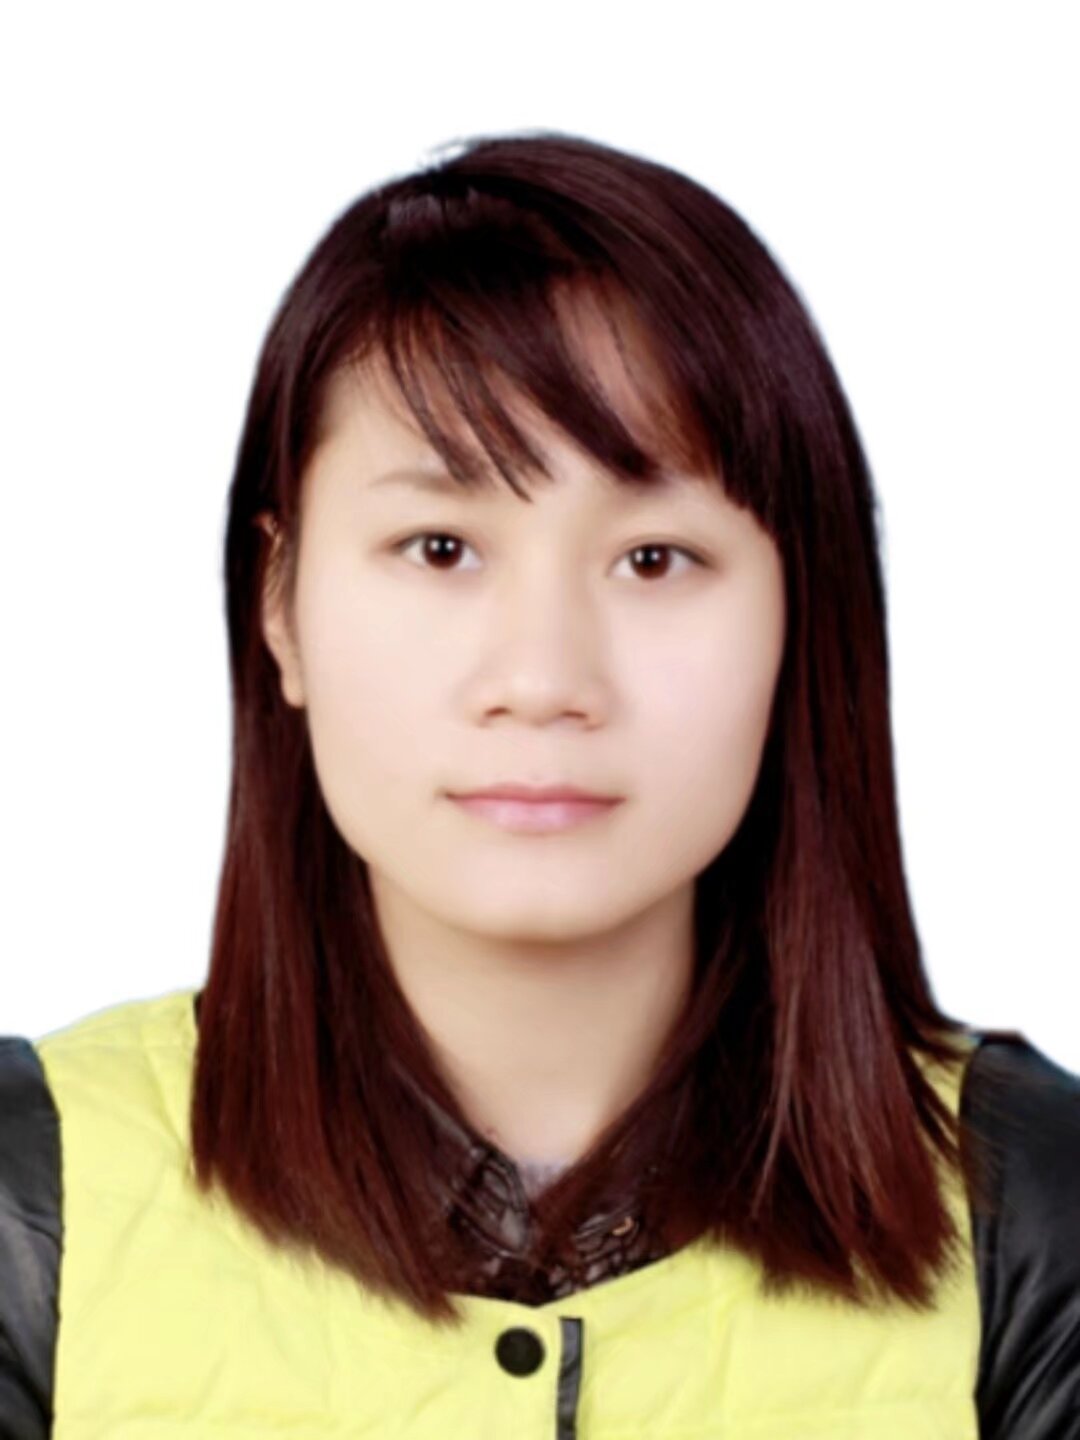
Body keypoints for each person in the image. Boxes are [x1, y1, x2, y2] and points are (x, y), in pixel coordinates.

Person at [1, 129, 1078, 1439]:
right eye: (440, 547)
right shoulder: (33, 1199)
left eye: (654, 559)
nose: (543, 676)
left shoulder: (1028, 1205)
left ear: (804, 616)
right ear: (280, 606)